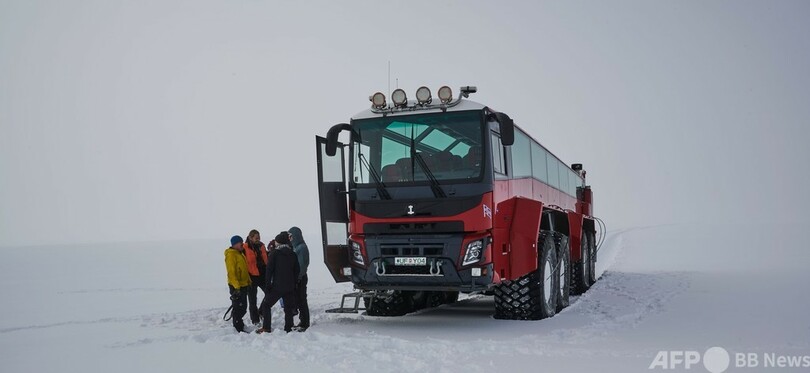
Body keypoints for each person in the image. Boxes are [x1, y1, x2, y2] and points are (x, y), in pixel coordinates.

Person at [256, 232, 300, 334]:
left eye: (276, 241)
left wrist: (268, 285)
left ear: (279, 242)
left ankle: (266, 327)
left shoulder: (275, 254)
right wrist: (294, 283)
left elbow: (269, 271)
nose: (275, 243)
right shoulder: (292, 254)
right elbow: (296, 270)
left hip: (277, 286)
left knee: (266, 305)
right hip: (289, 286)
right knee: (288, 308)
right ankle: (288, 327)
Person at [224, 235, 251, 333]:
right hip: (236, 286)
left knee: (243, 308)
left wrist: (248, 281)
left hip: (243, 284)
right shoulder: (231, 255)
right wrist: (236, 287)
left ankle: (239, 324)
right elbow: (231, 272)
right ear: (235, 244)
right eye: (240, 242)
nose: (242, 244)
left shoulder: (239, 253)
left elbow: (244, 269)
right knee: (239, 308)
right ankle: (238, 327)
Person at [242, 229, 268, 325]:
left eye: (259, 237)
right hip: (251, 276)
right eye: (256, 238)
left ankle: (261, 311)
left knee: (269, 294)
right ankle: (255, 319)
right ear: (250, 237)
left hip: (262, 275)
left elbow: (266, 259)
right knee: (252, 300)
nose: (258, 239)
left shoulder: (261, 246)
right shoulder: (244, 248)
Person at [288, 226, 310, 330]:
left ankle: (304, 322)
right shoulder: (296, 247)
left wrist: (298, 277)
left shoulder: (302, 248)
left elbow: (302, 265)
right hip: (297, 278)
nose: (290, 238)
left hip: (300, 278)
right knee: (299, 299)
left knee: (302, 300)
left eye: (291, 236)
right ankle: (303, 320)